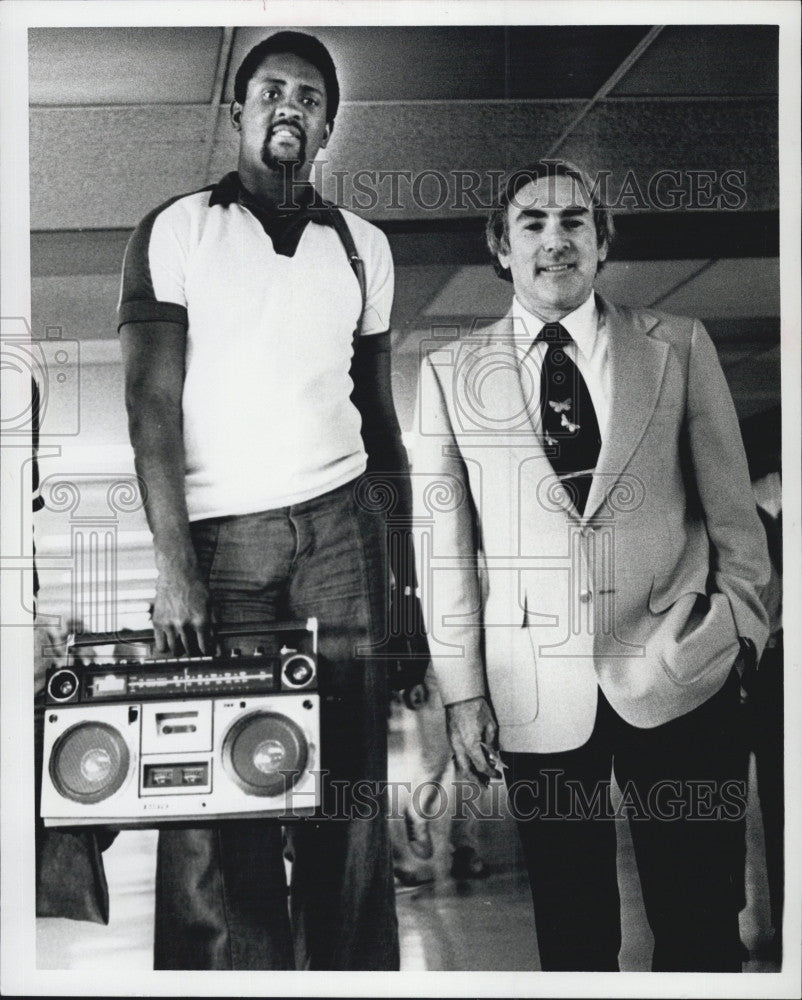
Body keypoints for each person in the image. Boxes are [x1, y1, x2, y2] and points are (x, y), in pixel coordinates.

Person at [411, 159, 770, 972]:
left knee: (702, 927)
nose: (555, 241)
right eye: (532, 225)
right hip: (537, 687)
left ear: (602, 242)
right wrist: (464, 693)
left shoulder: (677, 345)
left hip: (681, 671)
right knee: (573, 941)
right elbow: (444, 555)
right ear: (501, 248)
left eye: (575, 222)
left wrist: (739, 628)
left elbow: (733, 516)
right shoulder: (446, 373)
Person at [118, 31, 414, 970]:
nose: (291, 105)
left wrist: (401, 584)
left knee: (351, 795)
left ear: (328, 124)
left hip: (343, 534)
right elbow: (150, 405)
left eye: (312, 96)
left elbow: (379, 418)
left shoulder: (362, 248)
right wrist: (174, 569)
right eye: (273, 89)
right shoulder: (175, 228)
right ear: (237, 109)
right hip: (223, 544)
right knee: (226, 795)